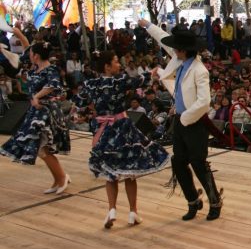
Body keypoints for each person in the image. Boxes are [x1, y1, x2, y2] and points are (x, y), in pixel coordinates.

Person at [73, 51, 169, 228]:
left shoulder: (90, 83)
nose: (120, 64)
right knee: (130, 173)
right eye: (116, 62)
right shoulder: (118, 80)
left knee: (111, 173)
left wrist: (93, 109)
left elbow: (78, 102)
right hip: (122, 128)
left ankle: (112, 210)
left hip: (103, 130)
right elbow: (139, 80)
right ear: (107, 66)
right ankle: (133, 212)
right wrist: (153, 71)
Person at [141, 19, 223, 221]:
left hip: (193, 122)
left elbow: (204, 102)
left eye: (177, 47)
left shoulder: (199, 70)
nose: (173, 49)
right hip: (180, 120)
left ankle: (215, 201)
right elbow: (163, 40)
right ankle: (193, 200)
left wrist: (185, 117)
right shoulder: (179, 60)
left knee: (198, 163)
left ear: (184, 50)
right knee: (178, 162)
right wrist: (148, 25)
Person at [1, 40, 69, 194]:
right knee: (42, 149)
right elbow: (24, 47)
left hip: (46, 112)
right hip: (36, 111)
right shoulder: (34, 70)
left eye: (31, 53)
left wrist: (37, 97)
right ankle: (59, 178)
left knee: (43, 148)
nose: (29, 55)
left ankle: (62, 177)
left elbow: (52, 85)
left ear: (36, 56)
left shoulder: (50, 70)